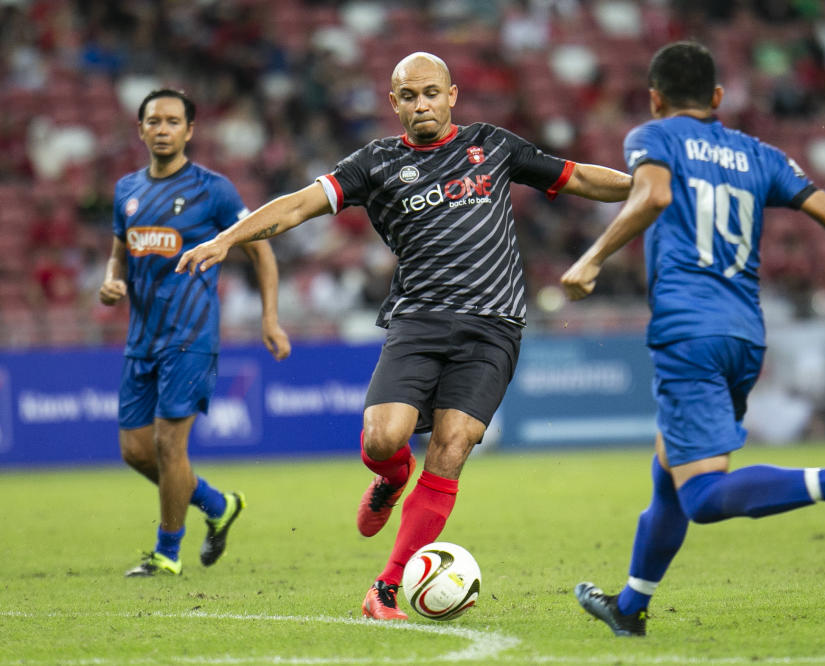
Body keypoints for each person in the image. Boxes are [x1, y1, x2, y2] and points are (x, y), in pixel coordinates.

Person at [176, 52, 632, 619]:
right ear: (394, 103)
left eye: (432, 93)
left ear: (452, 95)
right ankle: (391, 479)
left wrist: (644, 189)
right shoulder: (377, 163)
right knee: (386, 438)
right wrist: (226, 240)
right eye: (409, 96)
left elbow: (581, 176)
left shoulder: (494, 145)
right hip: (419, 321)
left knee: (452, 447)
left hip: (494, 328)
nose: (422, 104)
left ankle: (385, 589)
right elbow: (298, 205)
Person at [560, 41, 825, 637]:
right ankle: (629, 609)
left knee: (702, 495)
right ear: (717, 98)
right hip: (745, 333)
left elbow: (655, 195)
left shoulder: (654, 135)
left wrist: (592, 259)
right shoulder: (758, 154)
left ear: (655, 98)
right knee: (669, 473)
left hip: (688, 331)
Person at [100, 89, 291, 577]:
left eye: (172, 120)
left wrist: (270, 317)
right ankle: (217, 504)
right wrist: (113, 279)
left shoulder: (215, 191)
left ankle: (167, 552)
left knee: (169, 445)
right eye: (153, 121)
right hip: (140, 337)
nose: (162, 128)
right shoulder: (126, 190)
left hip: (192, 335)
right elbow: (120, 251)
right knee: (135, 451)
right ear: (140, 129)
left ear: (190, 130)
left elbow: (262, 250)